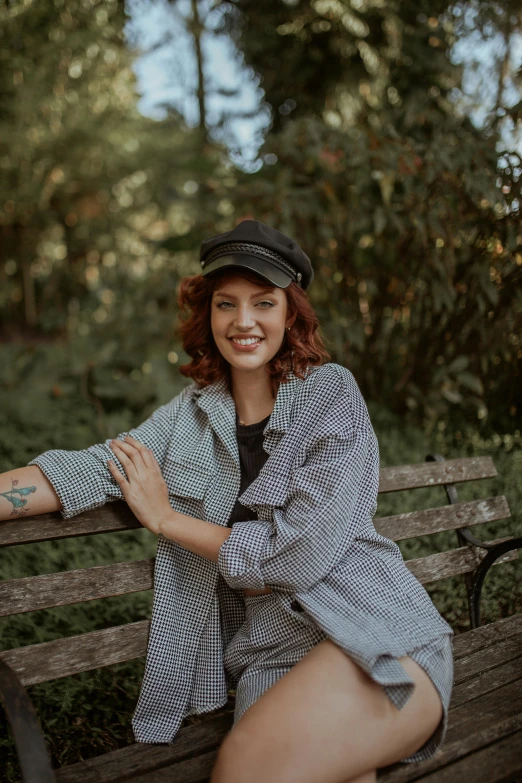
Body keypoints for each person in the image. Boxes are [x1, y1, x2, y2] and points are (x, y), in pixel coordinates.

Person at [1, 220, 454, 783]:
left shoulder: (331, 394)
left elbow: (298, 557)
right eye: (226, 304)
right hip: (268, 658)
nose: (243, 321)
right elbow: (93, 468)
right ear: (208, 314)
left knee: (242, 770)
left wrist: (167, 519)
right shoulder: (187, 416)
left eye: (263, 302)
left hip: (374, 634)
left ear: (290, 315)